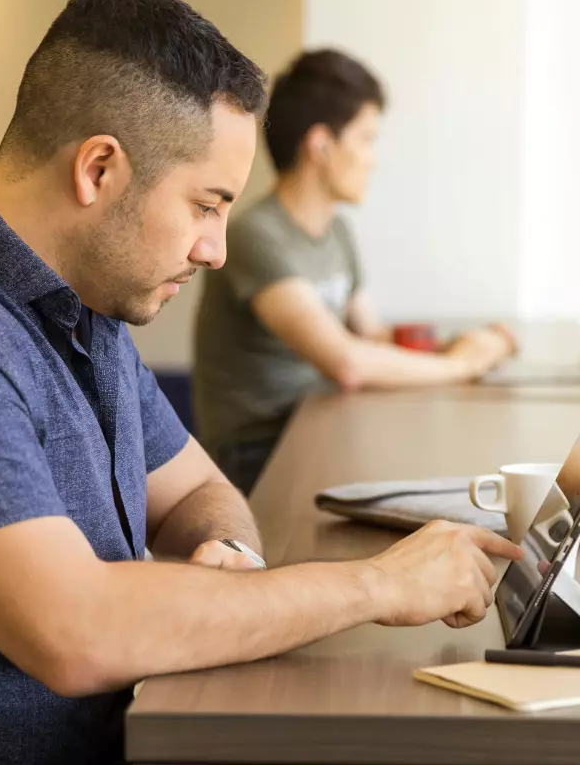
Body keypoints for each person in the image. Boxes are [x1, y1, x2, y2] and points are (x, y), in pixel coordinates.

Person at [0, 0, 521, 765]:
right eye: (206, 205)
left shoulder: (86, 310)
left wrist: (233, 563)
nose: (215, 249)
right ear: (99, 168)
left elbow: (201, 493)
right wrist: (380, 585)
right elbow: (75, 629)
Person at [193, 49, 516, 494]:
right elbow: (346, 362)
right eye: (366, 139)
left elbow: (371, 336)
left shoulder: (337, 232)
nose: (373, 158)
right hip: (261, 454)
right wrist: (460, 366)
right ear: (321, 145)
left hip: (320, 424)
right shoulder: (256, 236)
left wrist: (456, 345)